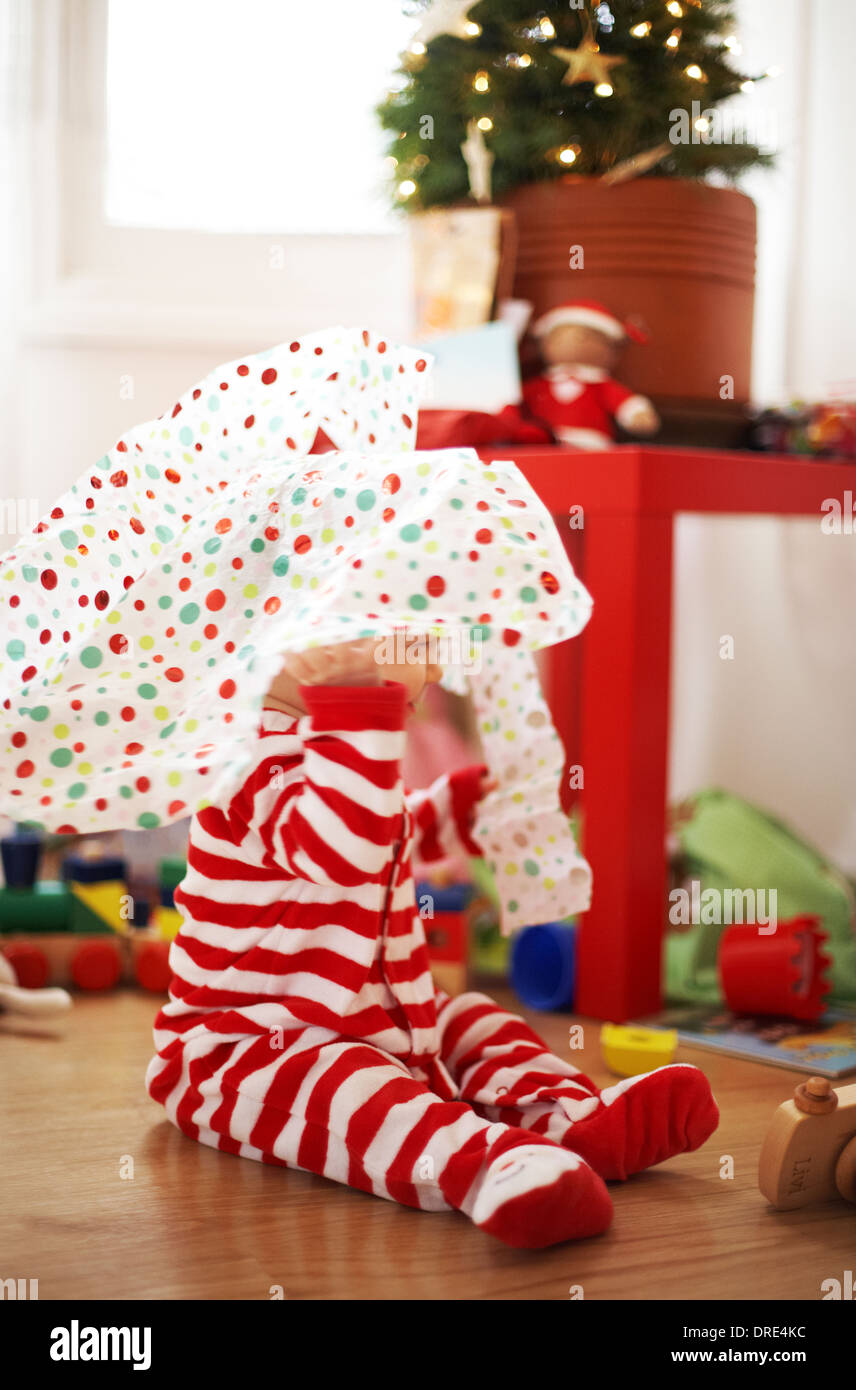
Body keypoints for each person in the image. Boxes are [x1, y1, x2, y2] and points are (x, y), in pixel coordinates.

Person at [146, 636, 718, 1250]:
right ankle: (485, 1166)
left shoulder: (329, 750)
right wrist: (357, 707)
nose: (437, 666)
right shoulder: (244, 757)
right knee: (352, 1087)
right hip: (247, 1050)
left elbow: (383, 829)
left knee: (470, 1020)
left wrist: (452, 810)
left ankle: (573, 1120)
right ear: (319, 645)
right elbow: (343, 845)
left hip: (384, 1018)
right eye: (415, 642)